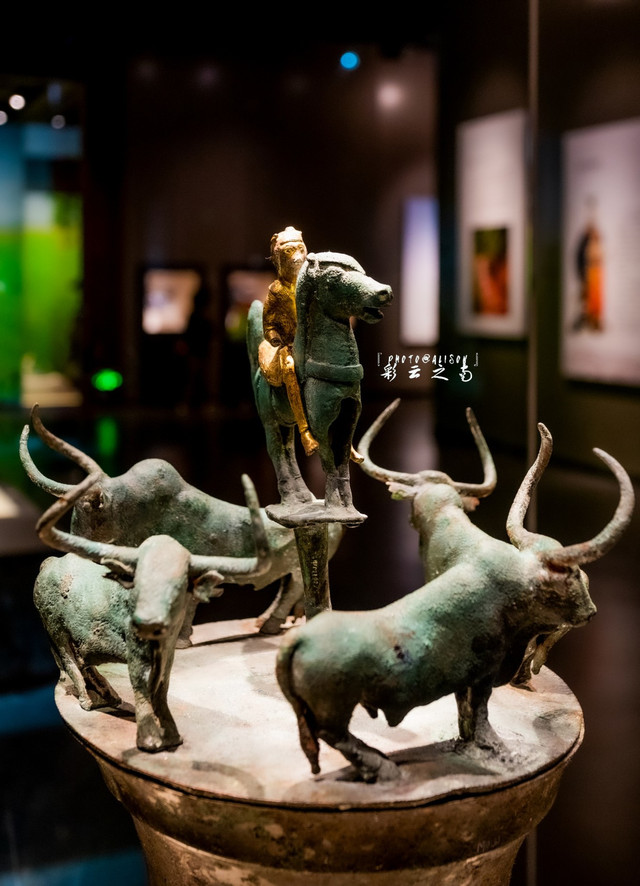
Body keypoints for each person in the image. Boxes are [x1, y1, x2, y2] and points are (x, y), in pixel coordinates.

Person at [258, 227, 319, 456]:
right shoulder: (276, 291)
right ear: (280, 258)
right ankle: (304, 431)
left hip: (312, 343)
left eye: (299, 249)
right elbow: (268, 325)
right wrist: (275, 338)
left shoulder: (310, 287)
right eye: (289, 252)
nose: (296, 257)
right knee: (290, 368)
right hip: (290, 346)